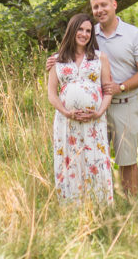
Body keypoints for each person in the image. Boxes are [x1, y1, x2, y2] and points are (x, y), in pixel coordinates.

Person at [47, 0, 138, 196]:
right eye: (95, 7)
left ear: (114, 4)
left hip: (123, 104)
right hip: (91, 112)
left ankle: (129, 205)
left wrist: (121, 87)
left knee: (127, 159)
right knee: (91, 156)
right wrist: (53, 61)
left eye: (104, 5)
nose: (100, 10)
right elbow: (70, 56)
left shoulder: (133, 34)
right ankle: (94, 201)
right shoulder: (88, 32)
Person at [47, 12, 114, 204]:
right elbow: (51, 94)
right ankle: (71, 207)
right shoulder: (57, 60)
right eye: (81, 29)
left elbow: (108, 90)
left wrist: (99, 112)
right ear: (72, 30)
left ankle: (100, 205)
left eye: (88, 31)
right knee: (70, 161)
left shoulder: (100, 58)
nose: (84, 34)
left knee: (95, 159)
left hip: (94, 121)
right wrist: (66, 112)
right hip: (66, 122)